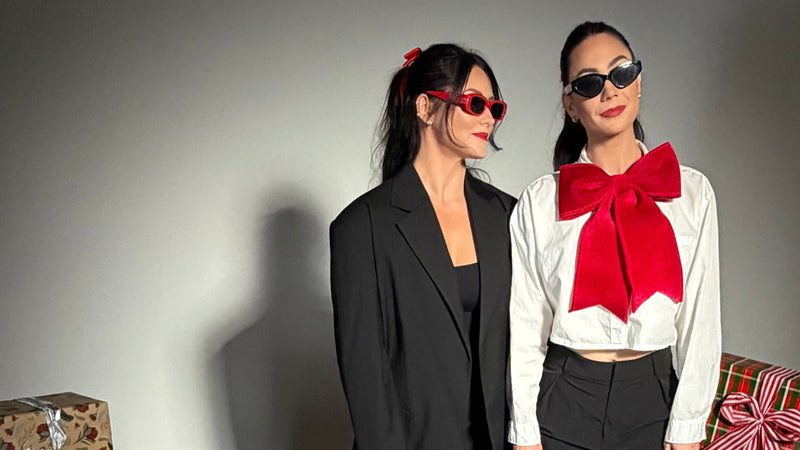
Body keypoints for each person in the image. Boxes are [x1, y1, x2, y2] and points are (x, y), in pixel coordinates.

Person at [507, 22, 721, 450]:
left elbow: (701, 317)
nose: (610, 91)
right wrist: (525, 433)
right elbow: (526, 325)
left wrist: (688, 425)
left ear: (638, 82)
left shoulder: (692, 192)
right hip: (564, 397)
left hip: (653, 399)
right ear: (570, 105)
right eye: (589, 83)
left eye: (621, 73)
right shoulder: (540, 201)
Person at [330, 44, 516, 449]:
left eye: (495, 108)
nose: (488, 117)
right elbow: (367, 382)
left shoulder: (508, 215)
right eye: (475, 103)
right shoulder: (362, 227)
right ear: (424, 108)